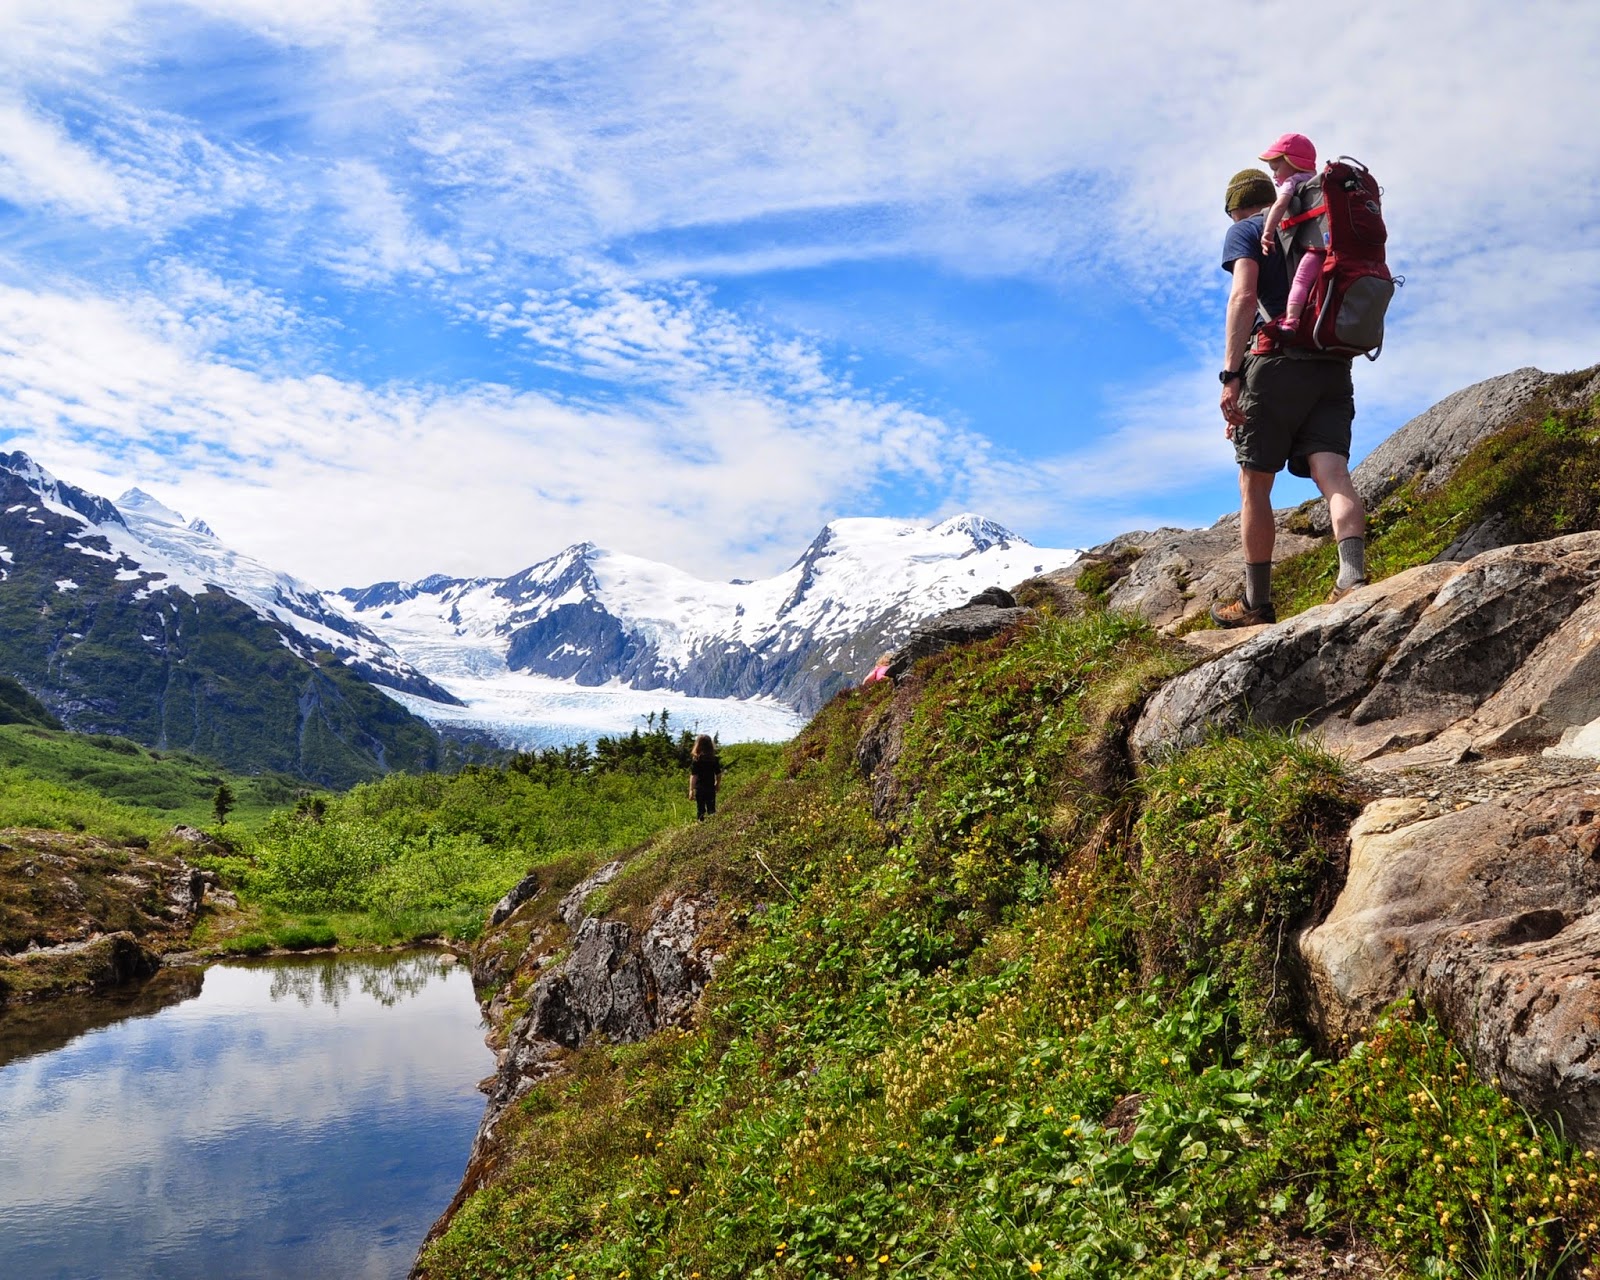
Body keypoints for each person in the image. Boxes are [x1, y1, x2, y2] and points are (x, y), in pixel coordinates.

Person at [1212, 158, 1368, 628]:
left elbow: (1243, 298)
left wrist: (1231, 375)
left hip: (1275, 363)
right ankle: (1352, 578)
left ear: (1236, 208)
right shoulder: (1320, 226)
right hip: (1332, 362)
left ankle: (1256, 603)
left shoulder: (1246, 231)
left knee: (1255, 483)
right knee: (1332, 472)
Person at [1256, 132, 1326, 342]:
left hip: (1317, 248)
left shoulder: (1293, 181)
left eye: (1276, 169)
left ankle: (1292, 320)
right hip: (1335, 245)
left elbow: (1279, 206)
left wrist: (1267, 232)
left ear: (1293, 162)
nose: (1274, 175)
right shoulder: (1320, 180)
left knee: (1301, 280)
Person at [688, 733, 722, 821]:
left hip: (700, 788)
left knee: (700, 810)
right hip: (710, 788)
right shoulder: (714, 759)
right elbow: (718, 774)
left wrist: (691, 790)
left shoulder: (697, 760)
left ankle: (701, 824)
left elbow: (694, 776)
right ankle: (714, 825)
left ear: (698, 745)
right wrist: (717, 784)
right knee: (711, 809)